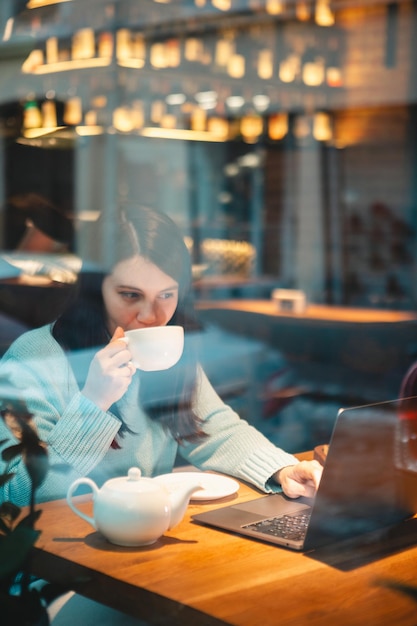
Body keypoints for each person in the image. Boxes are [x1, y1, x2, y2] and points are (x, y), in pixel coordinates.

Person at [0, 206, 322, 508]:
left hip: (145, 536)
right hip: (61, 558)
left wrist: (281, 469)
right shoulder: (33, 359)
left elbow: (212, 428)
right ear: (94, 290)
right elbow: (16, 495)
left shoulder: (168, 350)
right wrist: (93, 402)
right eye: (130, 295)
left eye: (166, 295)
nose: (152, 316)